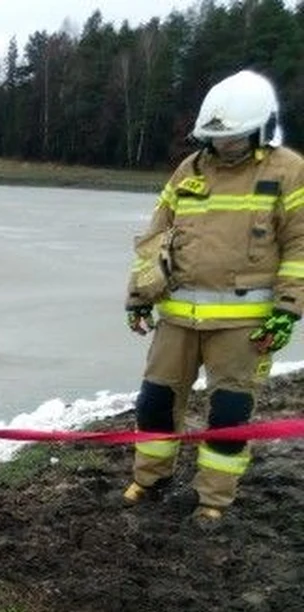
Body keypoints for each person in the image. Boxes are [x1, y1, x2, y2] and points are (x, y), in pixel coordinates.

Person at [123, 69, 304, 523]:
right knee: (154, 403)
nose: (225, 146)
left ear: (261, 129)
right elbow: (155, 235)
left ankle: (212, 502)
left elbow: (301, 245)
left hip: (244, 326)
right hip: (178, 319)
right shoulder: (190, 170)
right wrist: (138, 296)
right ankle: (150, 479)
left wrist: (287, 310)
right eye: (217, 138)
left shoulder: (288, 171)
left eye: (235, 138)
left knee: (229, 414)